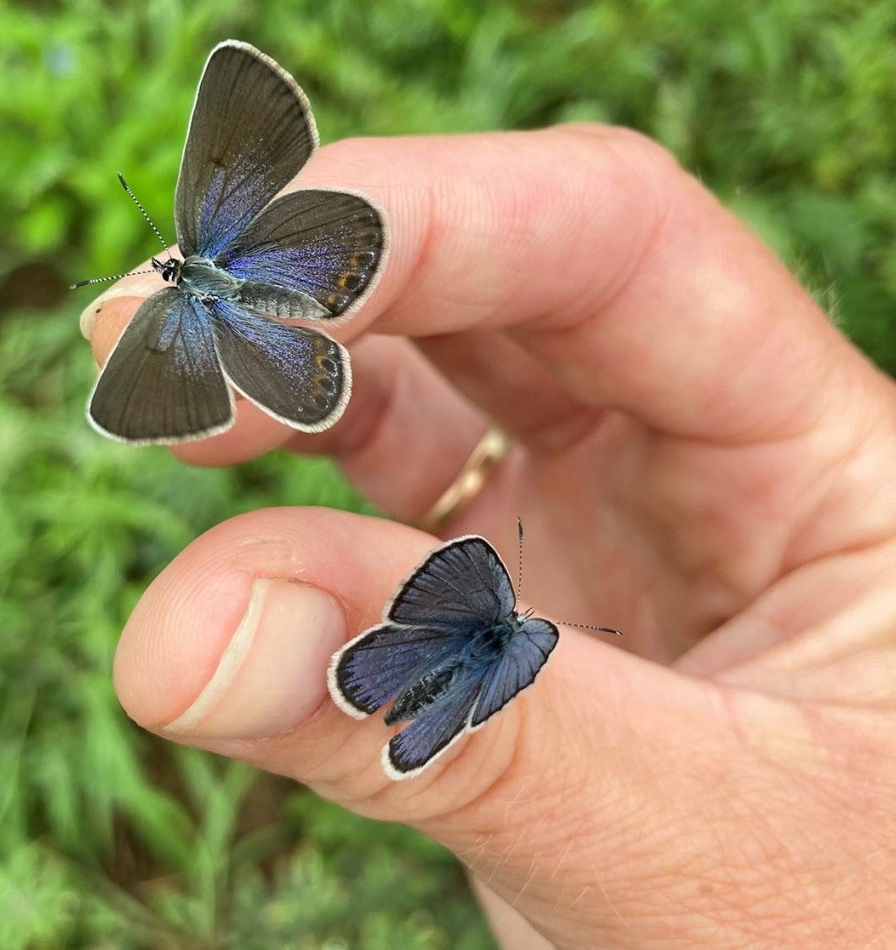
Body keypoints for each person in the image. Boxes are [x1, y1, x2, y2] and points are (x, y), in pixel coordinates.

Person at [80, 125, 896, 948]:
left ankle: (405, 704)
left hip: (276, 324)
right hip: (290, 282)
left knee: (447, 684)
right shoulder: (525, 625)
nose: (172, 264)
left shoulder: (520, 615)